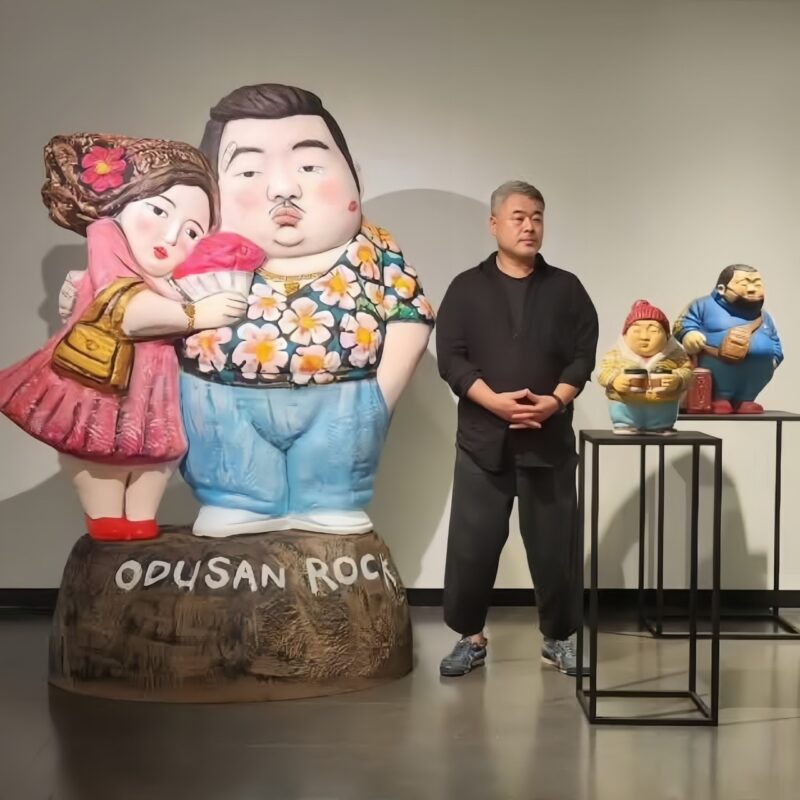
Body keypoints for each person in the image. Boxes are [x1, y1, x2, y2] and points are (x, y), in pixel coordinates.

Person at [177, 83, 434, 537]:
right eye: (249, 171)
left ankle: (330, 499)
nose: (284, 188)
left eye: (310, 166)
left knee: (331, 486)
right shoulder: (195, 253)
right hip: (222, 400)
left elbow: (410, 316)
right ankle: (237, 499)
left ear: (356, 177)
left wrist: (379, 396)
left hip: (342, 402)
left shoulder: (373, 250)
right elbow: (143, 301)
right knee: (234, 482)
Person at [0, 133, 247, 541]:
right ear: (122, 203)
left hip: (153, 390)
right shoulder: (107, 239)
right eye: (158, 210)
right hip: (101, 383)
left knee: (157, 455)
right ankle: (106, 519)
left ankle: (139, 518)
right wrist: (196, 314)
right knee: (98, 452)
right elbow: (128, 312)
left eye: (192, 232)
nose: (172, 237)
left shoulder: (169, 278)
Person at [435, 180, 598, 676]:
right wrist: (494, 404)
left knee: (555, 548)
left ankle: (558, 639)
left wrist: (555, 401)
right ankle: (470, 637)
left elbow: (582, 355)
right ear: (494, 224)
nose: (530, 226)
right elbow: (451, 358)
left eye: (537, 218)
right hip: (483, 442)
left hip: (548, 440)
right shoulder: (466, 288)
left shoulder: (566, 288)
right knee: (473, 546)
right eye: (519, 217)